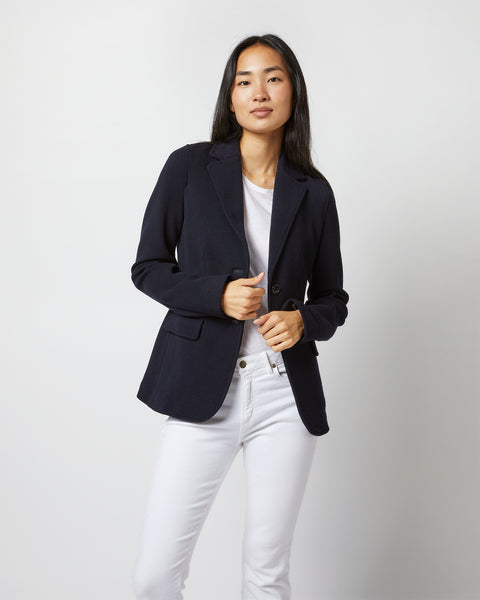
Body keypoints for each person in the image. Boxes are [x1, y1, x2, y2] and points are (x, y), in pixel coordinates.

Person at [130, 33, 349, 600]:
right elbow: (148, 268)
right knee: (155, 576)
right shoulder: (189, 166)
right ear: (230, 97)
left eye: (273, 78)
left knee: (266, 574)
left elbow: (333, 299)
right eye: (244, 80)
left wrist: (302, 321)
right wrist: (217, 295)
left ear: (293, 91)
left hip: (284, 394)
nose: (259, 92)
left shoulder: (314, 192)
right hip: (204, 387)